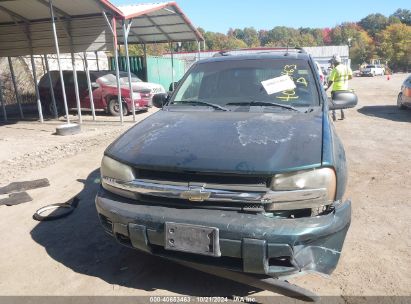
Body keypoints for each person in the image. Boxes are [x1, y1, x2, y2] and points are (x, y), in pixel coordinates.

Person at [326, 55, 353, 120]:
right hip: (344, 89)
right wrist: (344, 79)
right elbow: (351, 77)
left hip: (336, 90)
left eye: (332, 62)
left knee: (334, 103)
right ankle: (343, 116)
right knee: (342, 102)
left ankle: (334, 117)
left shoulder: (335, 69)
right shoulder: (346, 67)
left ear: (334, 62)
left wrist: (326, 88)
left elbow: (331, 81)